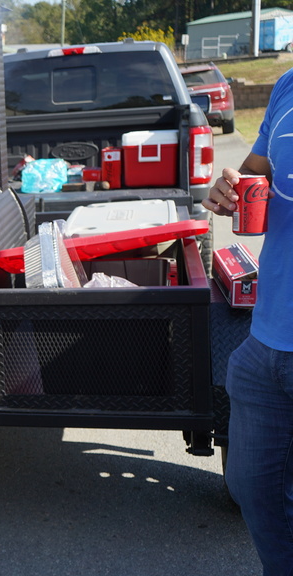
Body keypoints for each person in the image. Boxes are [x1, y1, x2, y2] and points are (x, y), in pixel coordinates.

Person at [203, 69, 293, 576]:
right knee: (255, 496)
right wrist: (229, 187)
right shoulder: (287, 86)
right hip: (267, 341)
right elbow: (255, 170)